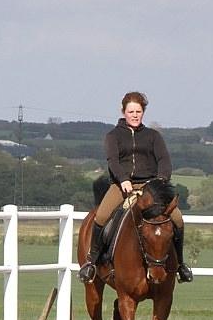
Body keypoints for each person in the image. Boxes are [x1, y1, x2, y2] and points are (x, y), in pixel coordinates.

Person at [79, 91, 193, 284]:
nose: (134, 115)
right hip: (121, 185)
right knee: (101, 216)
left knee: (177, 219)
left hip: (150, 186)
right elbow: (113, 161)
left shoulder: (153, 136)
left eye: (138, 111)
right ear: (123, 111)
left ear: (143, 113)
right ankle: (92, 262)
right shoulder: (113, 136)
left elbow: (164, 160)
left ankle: (180, 265)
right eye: (131, 111)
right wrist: (123, 179)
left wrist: (161, 180)